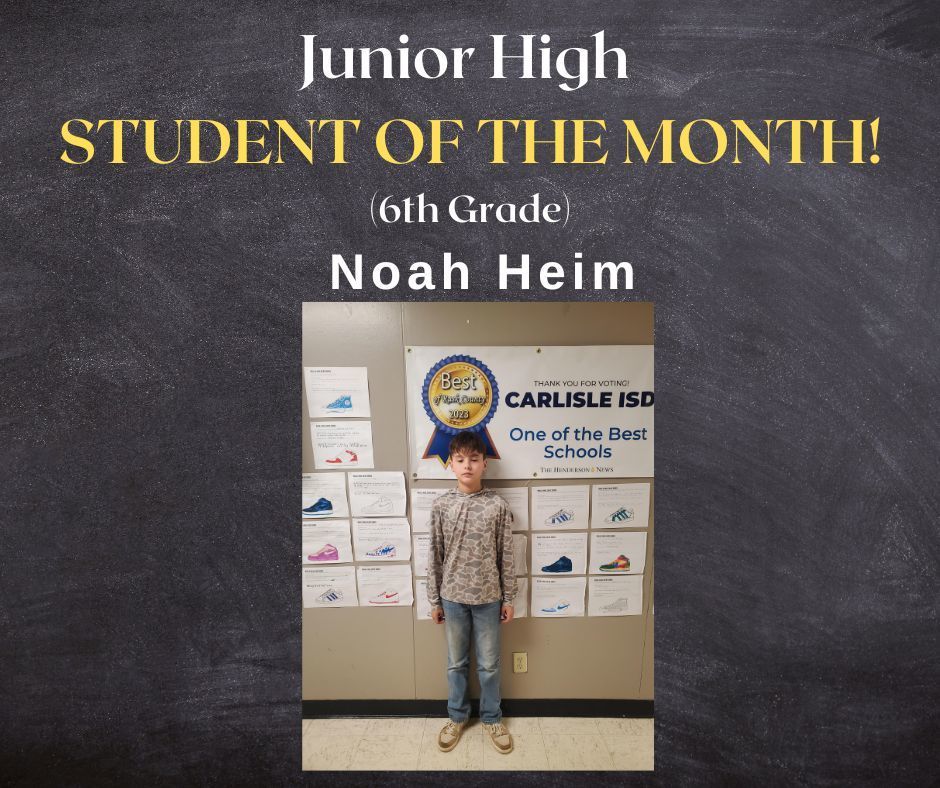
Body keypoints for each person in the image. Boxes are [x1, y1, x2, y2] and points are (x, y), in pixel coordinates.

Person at [427, 431, 517, 755]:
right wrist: (434, 600)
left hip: (489, 598)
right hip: (452, 599)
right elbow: (434, 554)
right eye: (461, 459)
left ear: (484, 465)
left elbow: (506, 554)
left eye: (474, 459)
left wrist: (509, 597)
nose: (468, 465)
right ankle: (457, 717)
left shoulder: (497, 506)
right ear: (451, 464)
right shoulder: (441, 506)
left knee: (490, 665)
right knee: (456, 664)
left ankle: (493, 718)